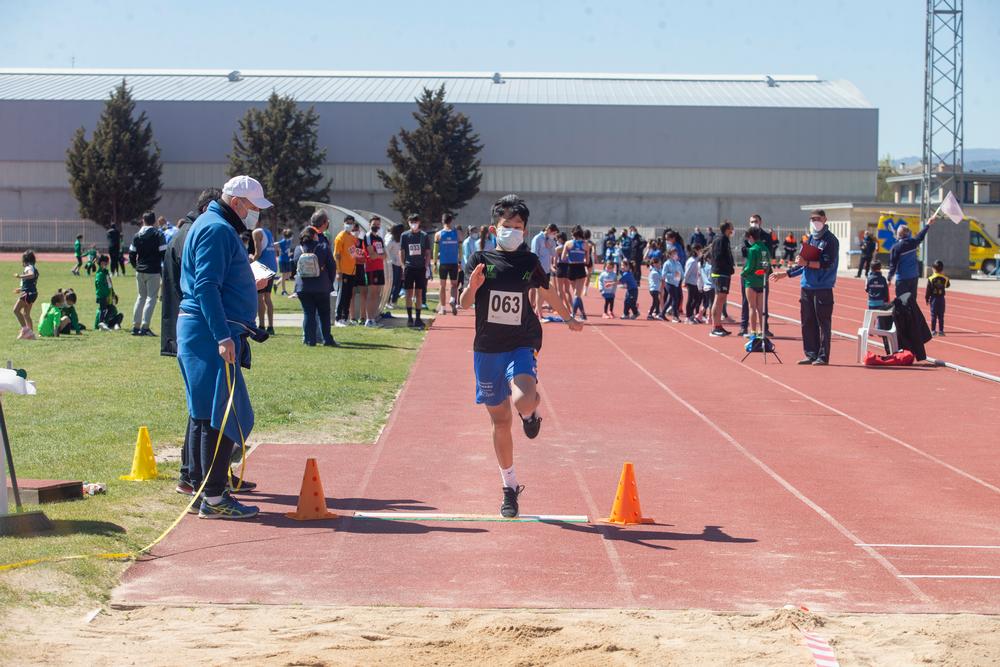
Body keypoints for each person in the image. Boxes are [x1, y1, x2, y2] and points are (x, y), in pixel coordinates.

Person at [460, 194, 582, 518]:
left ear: (525, 231)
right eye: (506, 226)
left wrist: (568, 318)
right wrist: (473, 287)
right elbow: (463, 302)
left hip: (521, 341)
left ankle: (531, 414)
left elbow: (547, 291)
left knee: (523, 400)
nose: (512, 231)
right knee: (500, 422)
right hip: (487, 349)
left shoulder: (529, 262)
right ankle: (509, 486)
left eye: (518, 227)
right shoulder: (479, 259)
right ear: (493, 227)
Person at [178, 175, 270, 520]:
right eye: (253, 207)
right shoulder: (217, 229)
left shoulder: (210, 223)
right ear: (237, 203)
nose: (255, 214)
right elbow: (205, 286)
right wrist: (221, 335)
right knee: (224, 414)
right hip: (208, 333)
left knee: (207, 414)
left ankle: (206, 493)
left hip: (201, 331)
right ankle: (214, 498)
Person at [770, 209, 839, 365]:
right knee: (807, 322)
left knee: (823, 323)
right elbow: (802, 265)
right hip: (807, 287)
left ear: (825, 219)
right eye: (812, 218)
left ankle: (822, 356)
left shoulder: (831, 241)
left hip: (823, 288)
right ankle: (810, 354)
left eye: (818, 218)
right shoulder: (809, 239)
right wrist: (785, 274)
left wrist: (806, 263)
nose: (815, 221)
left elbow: (826, 263)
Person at [162, 188, 220, 358]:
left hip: (185, 321)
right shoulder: (193, 233)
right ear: (207, 208)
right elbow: (200, 282)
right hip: (193, 323)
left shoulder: (188, 231)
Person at [293, 226, 339, 346]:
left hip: (303, 287)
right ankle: (327, 339)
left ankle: (309, 340)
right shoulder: (323, 247)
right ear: (314, 236)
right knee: (324, 313)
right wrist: (329, 281)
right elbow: (332, 266)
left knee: (308, 313)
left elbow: (294, 266)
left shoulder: (298, 249)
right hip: (321, 286)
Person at [129, 210, 167, 337]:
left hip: (140, 270)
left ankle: (135, 326)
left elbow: (132, 254)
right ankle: (145, 327)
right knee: (151, 298)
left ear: (143, 220)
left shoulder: (137, 235)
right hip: (153, 270)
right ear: (155, 221)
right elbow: (164, 253)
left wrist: (136, 266)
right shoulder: (158, 234)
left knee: (140, 297)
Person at [888, 217, 937, 300]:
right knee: (912, 301)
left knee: (901, 302)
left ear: (898, 234)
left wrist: (889, 278)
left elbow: (893, 265)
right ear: (908, 234)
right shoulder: (913, 242)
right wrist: (928, 224)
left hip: (902, 278)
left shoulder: (896, 248)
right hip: (914, 277)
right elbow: (920, 235)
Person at [400, 213, 431, 328]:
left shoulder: (424, 236)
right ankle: (409, 318)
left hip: (420, 268)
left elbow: (427, 252)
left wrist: (427, 266)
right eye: (411, 222)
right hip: (409, 267)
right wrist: (403, 266)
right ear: (408, 223)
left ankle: (418, 318)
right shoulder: (404, 236)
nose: (414, 224)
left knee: (418, 293)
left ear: (419, 223)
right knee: (408, 293)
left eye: (415, 222)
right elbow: (402, 251)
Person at [740, 227, 770, 337]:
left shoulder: (752, 250)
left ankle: (752, 331)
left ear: (751, 237)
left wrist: (743, 273)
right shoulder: (765, 249)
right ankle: (761, 331)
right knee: (760, 308)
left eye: (748, 238)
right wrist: (762, 272)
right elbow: (767, 265)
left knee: (752, 307)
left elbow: (750, 266)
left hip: (751, 282)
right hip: (761, 281)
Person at [250, 221, 279, 334]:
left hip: (262, 267)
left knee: (259, 297)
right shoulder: (267, 232)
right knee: (267, 297)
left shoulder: (256, 232)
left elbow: (258, 253)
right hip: (272, 266)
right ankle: (271, 326)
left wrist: (251, 258)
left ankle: (261, 325)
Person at [709, 221, 735, 336]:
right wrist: (727, 267)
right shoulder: (721, 239)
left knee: (721, 299)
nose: (733, 230)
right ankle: (715, 327)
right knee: (719, 299)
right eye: (731, 228)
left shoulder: (724, 239)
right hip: (720, 273)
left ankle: (718, 325)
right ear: (727, 229)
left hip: (723, 273)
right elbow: (719, 256)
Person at [333, 214, 359, 326]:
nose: (349, 225)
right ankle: (338, 318)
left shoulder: (352, 237)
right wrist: (338, 271)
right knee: (342, 295)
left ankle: (345, 317)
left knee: (348, 295)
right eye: (347, 223)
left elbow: (353, 253)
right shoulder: (340, 237)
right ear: (344, 223)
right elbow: (337, 255)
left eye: (351, 223)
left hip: (352, 271)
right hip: (343, 271)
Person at [560, 226, 590, 320]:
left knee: (576, 293)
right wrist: (580, 255)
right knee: (577, 294)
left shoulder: (568, 243)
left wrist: (571, 254)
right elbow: (588, 261)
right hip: (580, 268)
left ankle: (582, 314)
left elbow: (562, 258)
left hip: (571, 268)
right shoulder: (586, 244)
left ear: (573, 234)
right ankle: (574, 313)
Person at [530, 223, 559, 318]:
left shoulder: (551, 240)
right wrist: (536, 268)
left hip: (546, 270)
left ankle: (537, 312)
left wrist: (550, 246)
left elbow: (554, 254)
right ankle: (537, 312)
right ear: (549, 230)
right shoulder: (537, 238)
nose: (554, 235)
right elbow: (534, 254)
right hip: (538, 269)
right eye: (553, 233)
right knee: (537, 290)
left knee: (543, 292)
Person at [434, 213, 461, 316]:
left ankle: (443, 309)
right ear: (451, 221)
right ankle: (453, 299)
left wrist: (435, 263)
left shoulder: (438, 234)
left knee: (442, 285)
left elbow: (435, 251)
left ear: (442, 221)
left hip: (443, 263)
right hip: (454, 262)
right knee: (454, 285)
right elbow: (461, 249)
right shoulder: (457, 233)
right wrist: (460, 262)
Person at [865, 260, 893, 350]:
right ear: (880, 268)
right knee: (880, 317)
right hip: (880, 301)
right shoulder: (883, 279)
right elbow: (885, 290)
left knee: (871, 316)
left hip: (871, 301)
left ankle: (870, 330)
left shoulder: (869, 278)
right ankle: (880, 331)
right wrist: (885, 300)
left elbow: (866, 288)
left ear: (871, 268)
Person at [363, 216, 386, 327]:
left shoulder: (379, 238)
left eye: (378, 224)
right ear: (370, 224)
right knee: (371, 293)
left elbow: (385, 256)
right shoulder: (368, 237)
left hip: (380, 268)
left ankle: (373, 318)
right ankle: (369, 319)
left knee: (377, 293)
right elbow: (371, 255)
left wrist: (378, 256)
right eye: (374, 224)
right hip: (371, 268)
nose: (376, 226)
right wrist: (379, 255)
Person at [13, 250, 39, 340]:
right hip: (33, 293)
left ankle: (25, 330)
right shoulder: (33, 267)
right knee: (26, 314)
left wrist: (20, 276)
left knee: (16, 310)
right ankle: (31, 334)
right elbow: (31, 282)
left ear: (25, 260)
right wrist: (20, 289)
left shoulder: (29, 267)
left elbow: (31, 275)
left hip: (27, 293)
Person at [94, 254, 123, 331]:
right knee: (103, 309)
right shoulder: (100, 274)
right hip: (103, 295)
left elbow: (110, 284)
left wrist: (112, 293)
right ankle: (101, 324)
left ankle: (107, 324)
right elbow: (100, 287)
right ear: (102, 263)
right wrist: (105, 295)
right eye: (107, 263)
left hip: (109, 295)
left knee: (109, 309)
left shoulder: (105, 272)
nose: (107, 264)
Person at [926, 260, 950, 336]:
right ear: (942, 269)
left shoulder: (930, 279)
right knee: (941, 315)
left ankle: (933, 330)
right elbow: (948, 285)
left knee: (933, 315)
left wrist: (927, 298)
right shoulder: (945, 278)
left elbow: (928, 290)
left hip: (933, 299)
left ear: (933, 269)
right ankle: (941, 331)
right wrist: (943, 275)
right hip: (941, 299)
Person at [386, 222, 404, 312]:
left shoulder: (401, 239)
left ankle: (394, 301)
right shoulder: (391, 239)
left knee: (399, 283)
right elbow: (386, 250)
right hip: (392, 264)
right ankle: (387, 301)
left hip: (399, 264)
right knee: (392, 284)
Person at [661, 248, 683, 322]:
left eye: (676, 253)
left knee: (670, 300)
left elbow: (681, 272)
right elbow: (663, 274)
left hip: (676, 283)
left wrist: (682, 277)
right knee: (675, 299)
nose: (676, 255)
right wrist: (673, 275)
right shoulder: (667, 263)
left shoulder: (678, 263)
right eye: (674, 253)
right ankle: (675, 316)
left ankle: (662, 314)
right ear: (669, 255)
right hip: (669, 283)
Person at [683, 244, 703, 324]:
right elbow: (687, 272)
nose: (700, 252)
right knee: (690, 299)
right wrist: (685, 281)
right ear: (696, 251)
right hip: (690, 282)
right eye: (700, 250)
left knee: (697, 299)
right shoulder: (692, 261)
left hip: (695, 282)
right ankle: (688, 317)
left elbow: (700, 257)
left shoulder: (695, 259)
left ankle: (691, 314)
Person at [276, 228, 294, 296]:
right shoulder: (282, 242)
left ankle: (276, 284)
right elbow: (274, 245)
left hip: (287, 260)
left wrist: (289, 254)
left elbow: (287, 250)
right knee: (284, 276)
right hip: (282, 260)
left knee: (289, 275)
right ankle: (284, 291)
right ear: (289, 236)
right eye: (292, 235)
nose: (293, 237)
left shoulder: (289, 241)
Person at [699, 248, 715, 322]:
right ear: (709, 259)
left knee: (706, 303)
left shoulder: (703, 266)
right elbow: (711, 277)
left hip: (705, 286)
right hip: (711, 286)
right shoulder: (711, 267)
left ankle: (699, 315)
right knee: (711, 303)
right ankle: (709, 317)